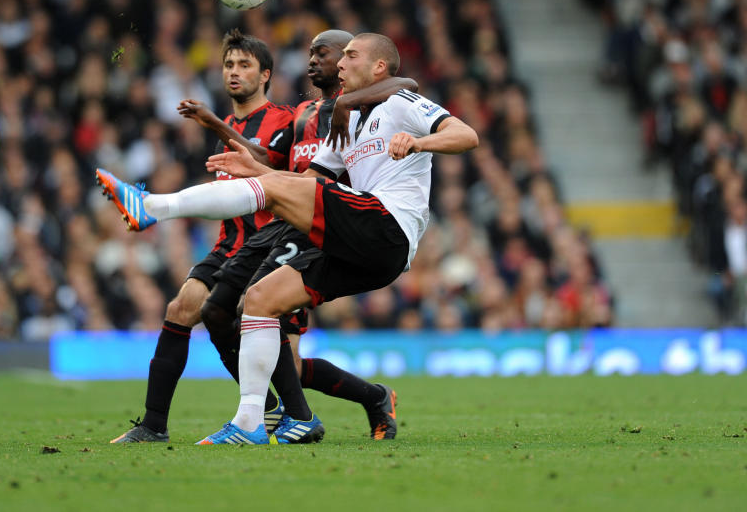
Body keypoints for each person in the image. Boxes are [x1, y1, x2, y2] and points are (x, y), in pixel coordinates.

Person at [98, 33, 478, 444]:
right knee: (261, 300)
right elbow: (304, 183)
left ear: (379, 68)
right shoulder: (344, 121)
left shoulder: (400, 104)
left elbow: (465, 135)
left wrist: (419, 141)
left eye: (350, 56)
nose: (342, 64)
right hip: (362, 248)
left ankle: (151, 206)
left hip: (387, 224)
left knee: (272, 226)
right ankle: (249, 424)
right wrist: (256, 169)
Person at [184, 30, 413, 442]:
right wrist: (218, 126)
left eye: (325, 54)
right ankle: (295, 410)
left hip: (322, 225)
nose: (315, 61)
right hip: (283, 219)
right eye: (312, 53)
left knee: (268, 331)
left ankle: (292, 414)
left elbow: (405, 84)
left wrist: (346, 102)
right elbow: (268, 162)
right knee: (227, 313)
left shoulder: (365, 107)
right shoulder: (303, 113)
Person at [96, 29, 294, 443]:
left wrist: (215, 124)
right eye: (228, 64)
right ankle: (153, 425)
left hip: (269, 241)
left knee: (271, 344)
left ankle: (299, 406)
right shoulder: (233, 123)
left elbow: (270, 165)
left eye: (244, 65)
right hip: (229, 242)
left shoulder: (284, 120)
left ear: (266, 75)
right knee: (180, 307)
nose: (234, 72)